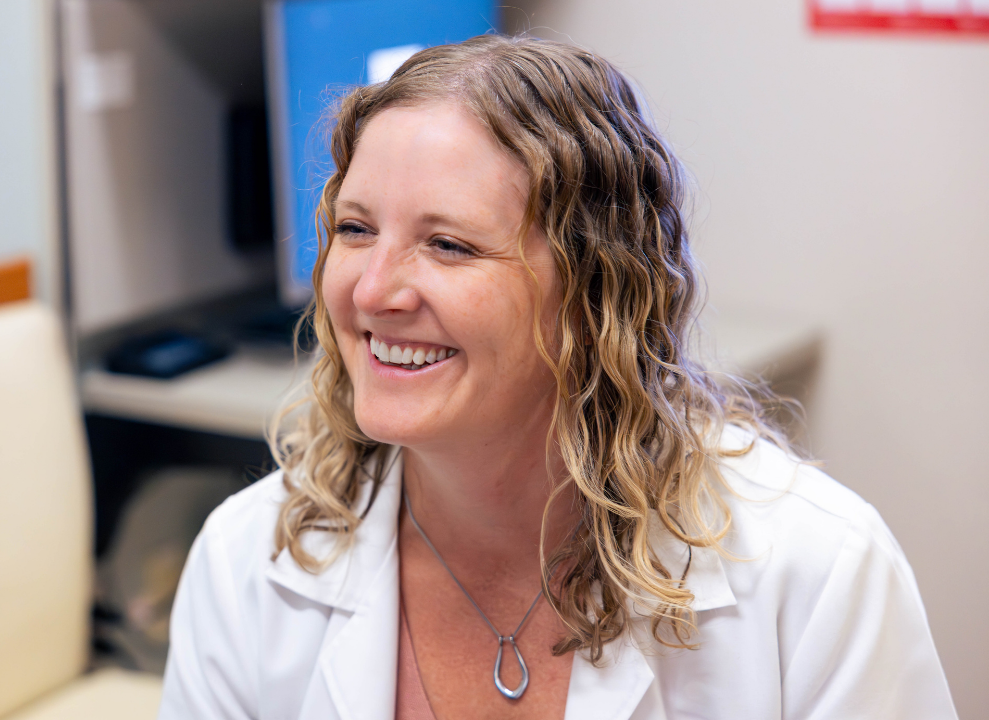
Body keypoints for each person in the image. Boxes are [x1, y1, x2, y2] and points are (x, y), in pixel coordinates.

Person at [157, 34, 957, 719]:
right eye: (355, 229)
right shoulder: (246, 565)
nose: (371, 292)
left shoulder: (813, 572)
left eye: (449, 245)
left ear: (593, 292)